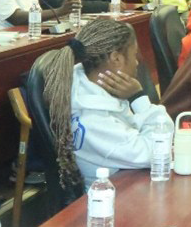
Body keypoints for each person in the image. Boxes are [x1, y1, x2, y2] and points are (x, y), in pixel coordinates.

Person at [36, 18, 171, 186]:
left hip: (128, 179)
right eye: (134, 55)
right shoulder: (93, 119)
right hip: (114, 193)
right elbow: (159, 152)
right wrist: (139, 98)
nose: (136, 62)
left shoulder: (88, 88)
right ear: (116, 59)